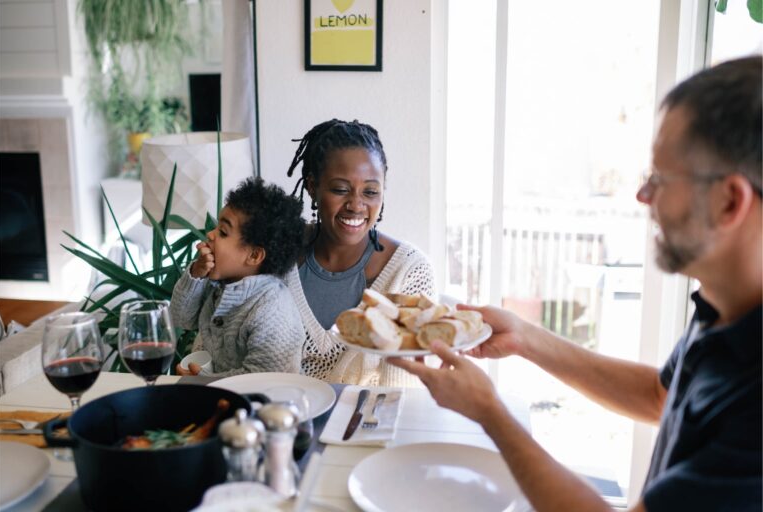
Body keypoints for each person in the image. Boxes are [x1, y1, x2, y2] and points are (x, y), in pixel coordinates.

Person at [390, 55, 762, 511]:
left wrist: (490, 413)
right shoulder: (724, 308)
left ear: (730, 202)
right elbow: (659, 397)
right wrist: (525, 338)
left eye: (660, 178)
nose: (642, 196)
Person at [284, 118, 435, 386]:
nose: (356, 205)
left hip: (366, 426)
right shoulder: (279, 255)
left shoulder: (408, 271)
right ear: (311, 186)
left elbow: (400, 397)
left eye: (370, 191)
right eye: (341, 190)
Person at [171, 177, 306, 377]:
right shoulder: (219, 284)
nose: (210, 234)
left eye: (223, 232)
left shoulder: (272, 309)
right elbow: (181, 318)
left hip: (270, 402)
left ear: (254, 255)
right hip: (222, 399)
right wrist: (196, 274)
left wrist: (203, 383)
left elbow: (264, 379)